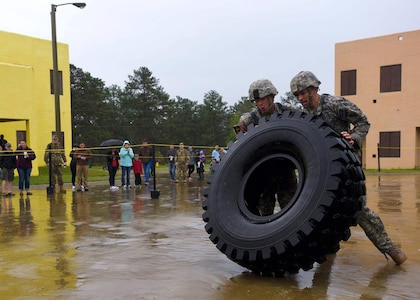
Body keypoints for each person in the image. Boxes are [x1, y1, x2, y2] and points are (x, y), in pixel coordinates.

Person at [290, 70, 407, 265]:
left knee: (359, 210)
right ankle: (327, 252)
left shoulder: (335, 104)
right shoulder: (304, 115)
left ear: (314, 89)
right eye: (297, 95)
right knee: (322, 212)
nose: (300, 98)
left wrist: (354, 138)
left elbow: (363, 122)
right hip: (321, 171)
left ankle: (392, 249)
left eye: (302, 93)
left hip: (346, 168)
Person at [236, 79, 298, 216]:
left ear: (271, 96)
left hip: (285, 168)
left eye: (262, 100)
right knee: (265, 214)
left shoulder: (288, 112)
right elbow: (239, 142)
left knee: (291, 210)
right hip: (264, 172)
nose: (260, 104)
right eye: (256, 101)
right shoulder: (249, 119)